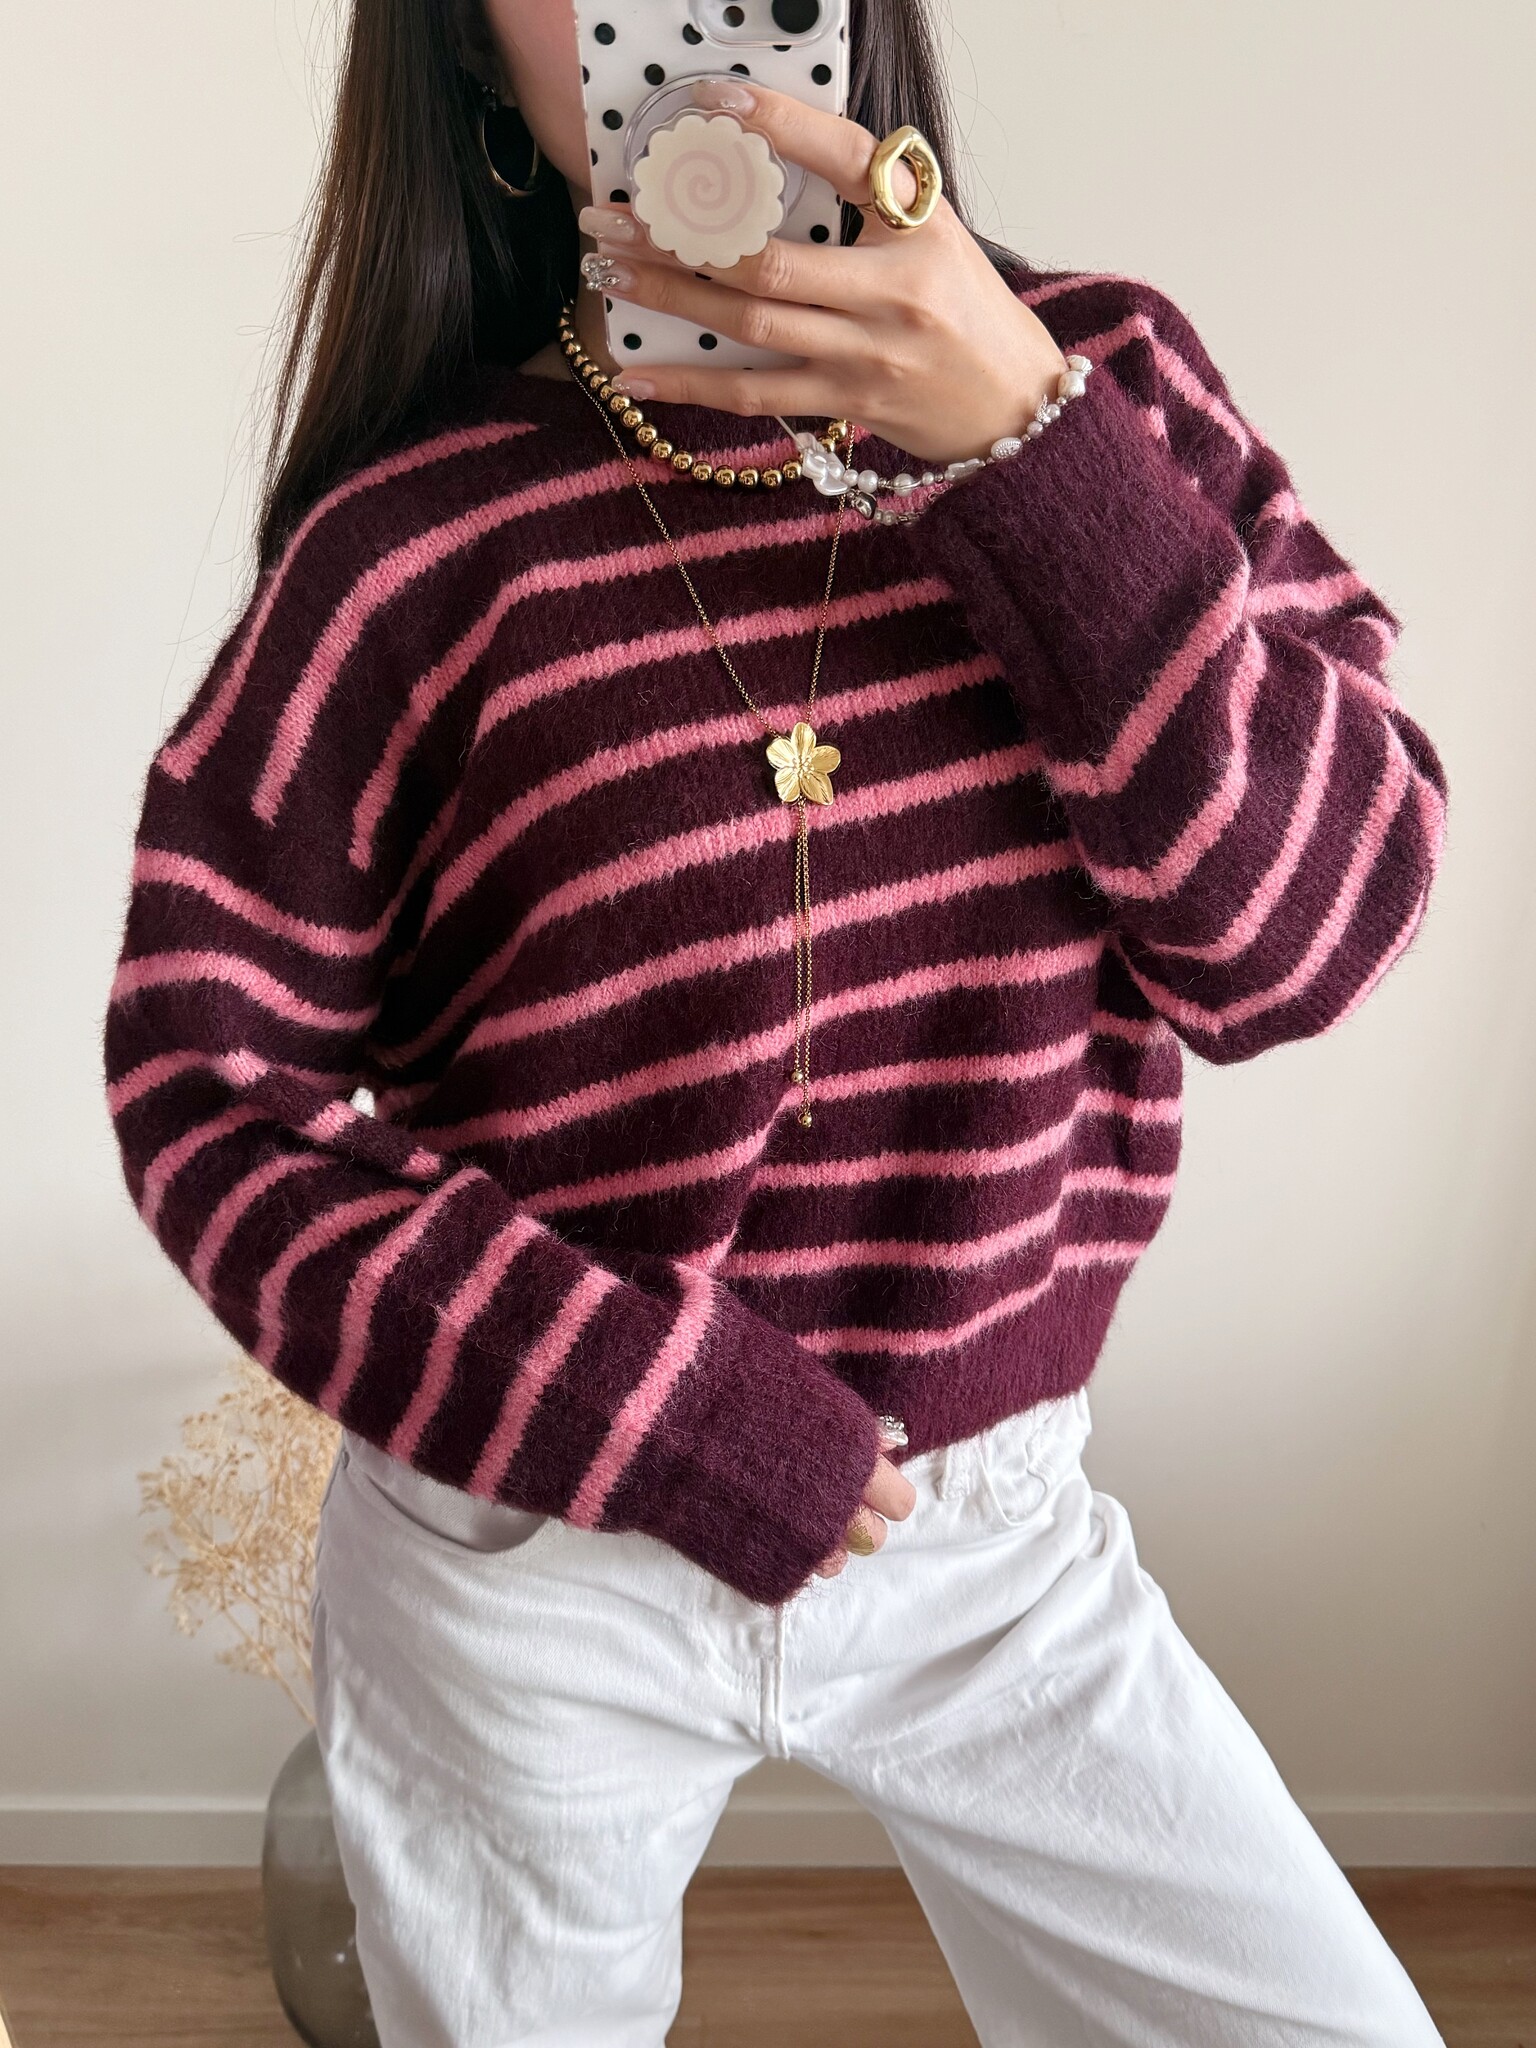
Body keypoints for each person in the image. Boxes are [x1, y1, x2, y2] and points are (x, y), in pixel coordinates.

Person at [102, 1, 1452, 2042]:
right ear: (469, 52)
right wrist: (653, 1411)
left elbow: (1309, 942)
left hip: (994, 1545)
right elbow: (210, 1087)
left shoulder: (1113, 384)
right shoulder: (413, 543)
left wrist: (1030, 446)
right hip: (530, 1556)